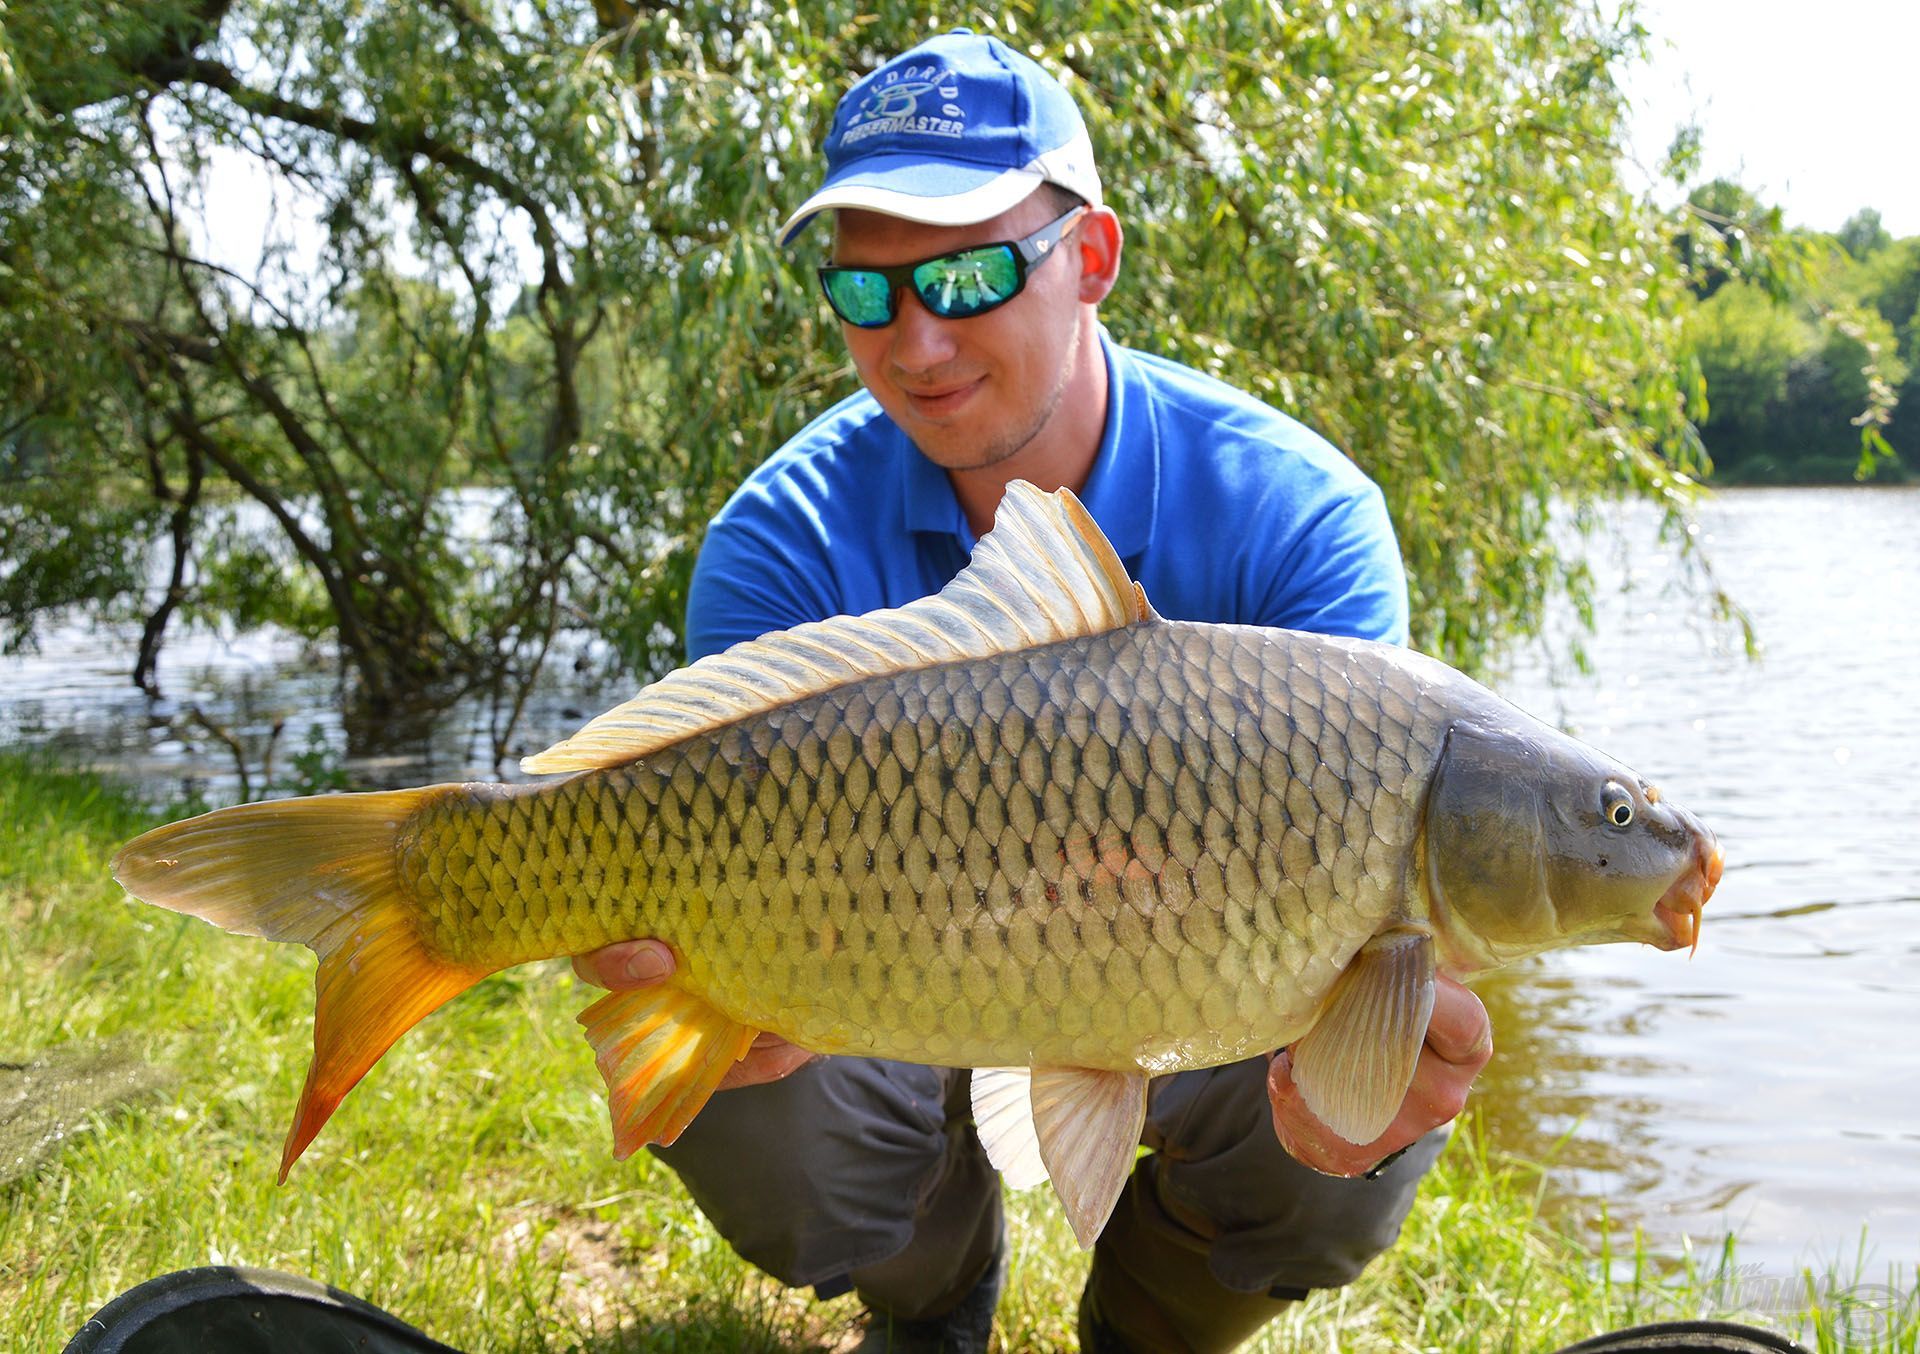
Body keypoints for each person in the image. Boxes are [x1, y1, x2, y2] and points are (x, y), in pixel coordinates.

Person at [571, 30, 1493, 1353]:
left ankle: (1152, 1325)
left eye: (970, 270)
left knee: (1373, 1087)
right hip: (883, 986)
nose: (919, 340)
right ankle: (933, 1295)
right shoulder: (778, 540)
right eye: (867, 291)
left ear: (1093, 259)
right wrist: (709, 1008)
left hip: (1209, 994)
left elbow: (1368, 934)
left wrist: (1337, 1085)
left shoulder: (1303, 519)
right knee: (754, 1111)